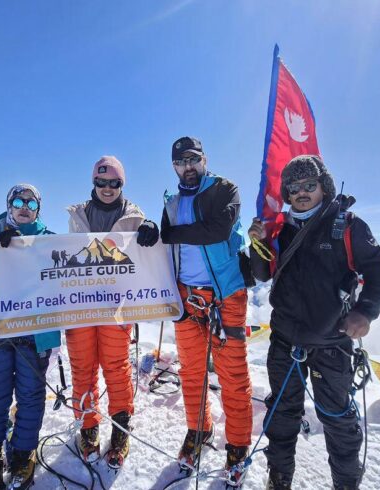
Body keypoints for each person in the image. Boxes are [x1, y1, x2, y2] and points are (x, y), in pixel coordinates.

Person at [247, 155, 380, 490]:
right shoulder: (281, 229)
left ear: (323, 186)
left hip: (330, 343)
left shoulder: (348, 225)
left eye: (309, 185)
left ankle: (345, 483)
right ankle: (279, 479)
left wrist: (365, 311)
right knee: (282, 415)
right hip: (284, 339)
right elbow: (260, 274)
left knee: (337, 418)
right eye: (294, 187)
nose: (301, 192)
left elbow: (378, 270)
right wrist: (256, 243)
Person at [137, 136, 255, 487]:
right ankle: (199, 429)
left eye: (193, 159)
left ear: (204, 159)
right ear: (174, 166)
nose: (187, 167)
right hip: (185, 296)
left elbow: (218, 230)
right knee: (191, 372)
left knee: (233, 374)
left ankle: (237, 444)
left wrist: (171, 233)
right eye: (180, 162)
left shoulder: (224, 189)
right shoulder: (171, 204)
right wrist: (153, 231)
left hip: (225, 295)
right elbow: (164, 243)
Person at [0, 184, 61, 490]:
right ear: (8, 204)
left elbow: (65, 282)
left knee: (31, 395)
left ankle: (22, 454)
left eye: (31, 203)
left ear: (38, 209)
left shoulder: (49, 242)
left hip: (36, 333)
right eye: (18, 201)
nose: (24, 207)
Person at [64, 156, 159, 469]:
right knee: (82, 366)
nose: (107, 188)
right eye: (101, 182)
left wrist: (150, 228)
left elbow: (148, 253)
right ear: (93, 183)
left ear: (122, 184)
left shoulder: (134, 216)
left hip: (117, 306)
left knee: (116, 368)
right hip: (79, 306)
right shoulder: (77, 214)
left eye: (114, 182)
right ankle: (88, 427)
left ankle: (120, 429)